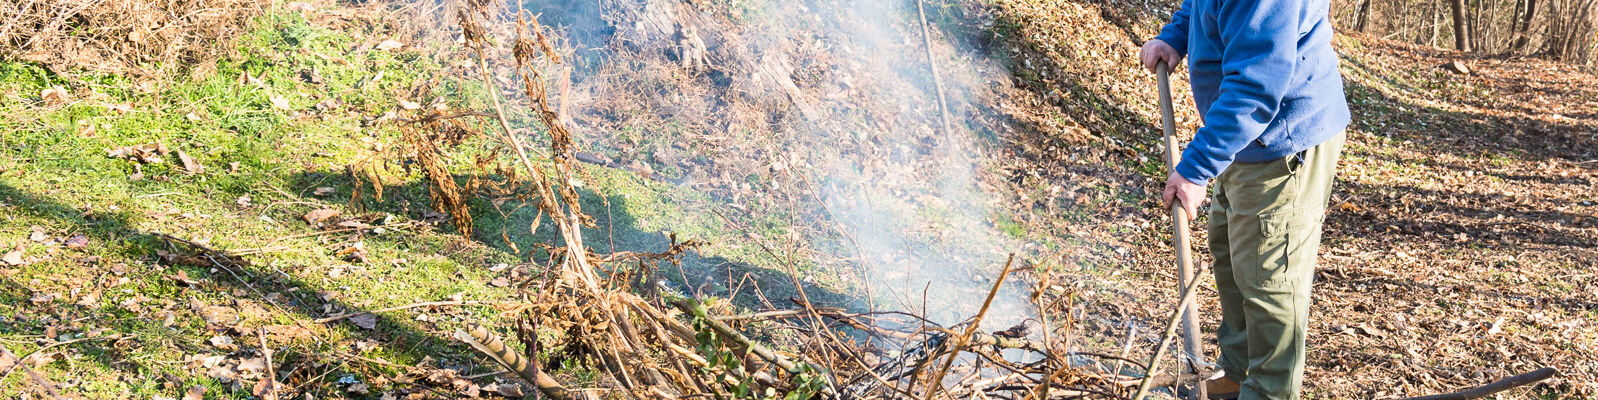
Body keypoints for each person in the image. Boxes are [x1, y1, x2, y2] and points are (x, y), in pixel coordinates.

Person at [1138, 0, 1351, 396]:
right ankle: (1236, 373)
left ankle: (1268, 389)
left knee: (1269, 280)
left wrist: (1197, 167)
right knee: (1232, 256)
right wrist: (1175, 36)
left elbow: (1256, 85)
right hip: (1242, 135)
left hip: (1281, 137)